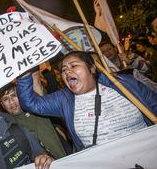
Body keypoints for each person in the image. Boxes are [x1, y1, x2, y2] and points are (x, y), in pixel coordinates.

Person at [17, 51, 157, 151]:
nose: (67, 71)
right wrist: (24, 74)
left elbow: (154, 105)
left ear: (92, 68)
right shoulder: (63, 99)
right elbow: (30, 103)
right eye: (64, 69)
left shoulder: (124, 83)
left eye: (74, 66)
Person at [0, 82, 68, 159]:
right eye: (5, 99)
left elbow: (36, 81)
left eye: (14, 95)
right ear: (2, 105)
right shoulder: (9, 126)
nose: (11, 102)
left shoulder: (37, 107)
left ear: (21, 95)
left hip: (64, 161)